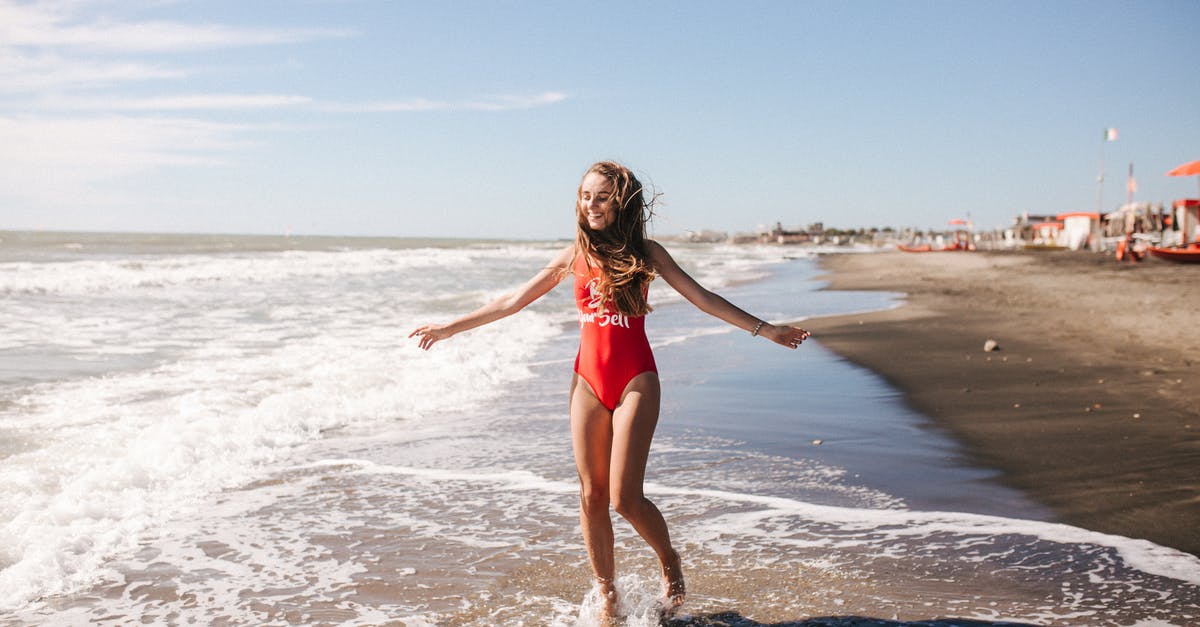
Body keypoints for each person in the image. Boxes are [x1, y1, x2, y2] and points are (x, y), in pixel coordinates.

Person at [409, 161, 811, 621]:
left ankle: (669, 559)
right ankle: (608, 597)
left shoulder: (646, 252)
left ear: (620, 201)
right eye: (585, 196)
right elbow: (512, 301)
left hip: (636, 379)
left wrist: (766, 329)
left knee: (624, 497)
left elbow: (703, 298)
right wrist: (450, 328)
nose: (591, 205)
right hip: (587, 382)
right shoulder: (573, 254)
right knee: (590, 496)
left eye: (601, 196)